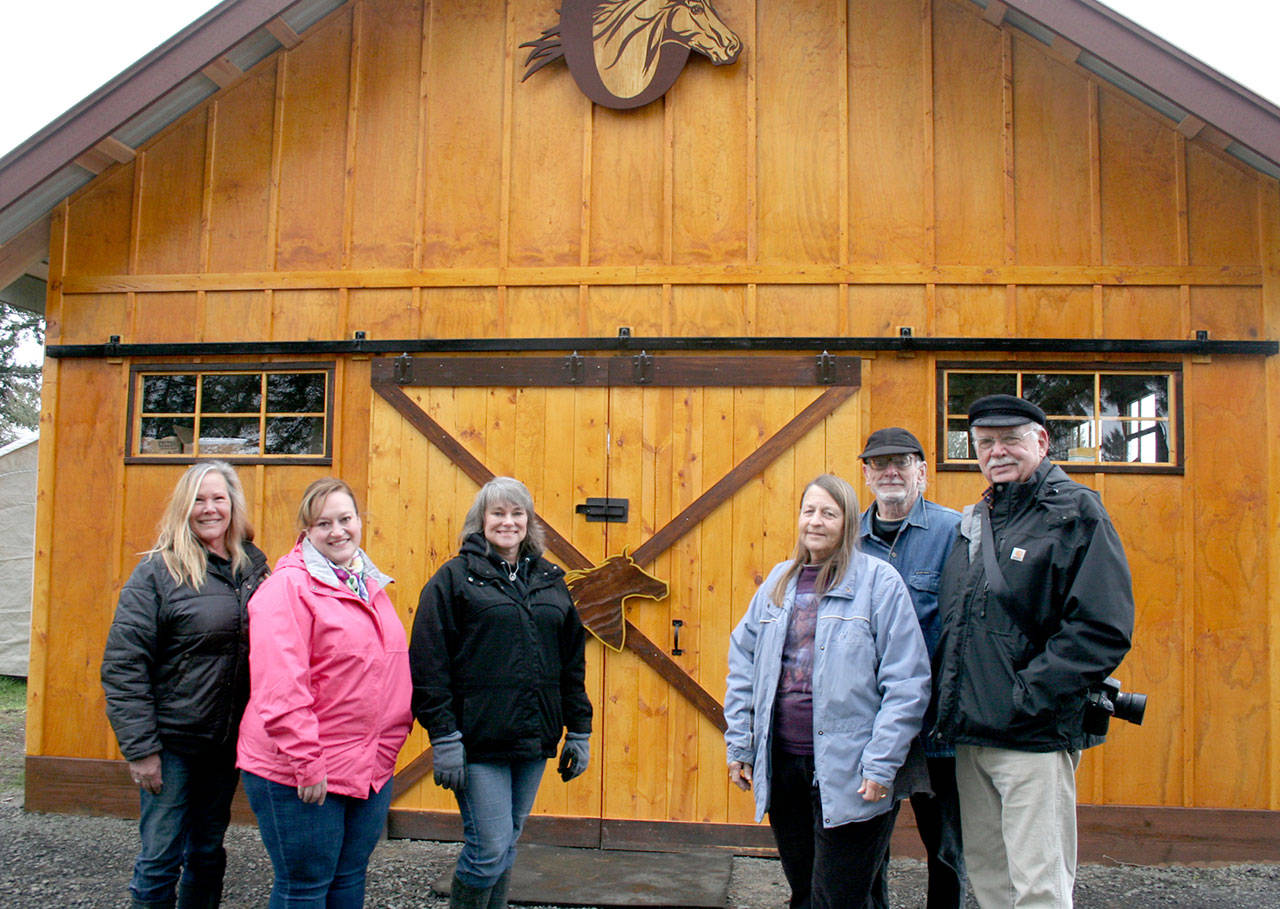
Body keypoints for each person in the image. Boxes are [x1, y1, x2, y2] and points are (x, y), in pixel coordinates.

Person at [932, 395, 1135, 908]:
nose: (996, 451)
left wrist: (1025, 697)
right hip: (972, 738)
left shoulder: (1077, 513)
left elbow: (1101, 628)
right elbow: (960, 626)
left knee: (1040, 888)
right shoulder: (977, 520)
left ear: (1042, 442)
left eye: (1010, 440)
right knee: (991, 880)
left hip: (1033, 737)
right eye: (984, 443)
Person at [724, 473, 931, 909]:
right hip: (785, 767)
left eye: (829, 513)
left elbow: (908, 682)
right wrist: (740, 745)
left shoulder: (879, 583)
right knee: (806, 891)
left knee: (837, 897)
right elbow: (743, 664)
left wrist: (881, 765)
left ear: (848, 522)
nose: (815, 521)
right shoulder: (779, 583)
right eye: (809, 511)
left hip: (852, 771)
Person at [410, 476, 593, 909]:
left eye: (517, 514)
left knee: (507, 845)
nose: (507, 522)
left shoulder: (550, 580)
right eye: (498, 513)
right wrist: (444, 736)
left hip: (533, 739)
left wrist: (580, 730)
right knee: (488, 849)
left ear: (529, 523)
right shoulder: (454, 580)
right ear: (481, 520)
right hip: (477, 742)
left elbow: (571, 662)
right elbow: (428, 661)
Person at [236, 477, 412, 908]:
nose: (337, 531)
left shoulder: (367, 583)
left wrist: (388, 746)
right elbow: (280, 685)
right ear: (306, 531)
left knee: (349, 878)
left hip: (367, 766)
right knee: (306, 887)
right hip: (301, 769)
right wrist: (307, 761)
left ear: (358, 521)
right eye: (323, 524)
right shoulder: (287, 588)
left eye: (345, 519)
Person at [101, 461, 270, 909]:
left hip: (225, 742)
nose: (210, 508)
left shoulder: (252, 568)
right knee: (160, 859)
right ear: (184, 506)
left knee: (207, 853)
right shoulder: (158, 573)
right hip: (171, 744)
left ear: (234, 505)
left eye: (219, 498)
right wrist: (141, 749)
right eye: (199, 499)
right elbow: (124, 664)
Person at [857, 428, 966, 909]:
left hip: (936, 725)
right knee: (865, 845)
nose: (890, 472)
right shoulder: (847, 541)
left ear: (922, 471)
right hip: (867, 723)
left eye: (902, 462)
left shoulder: (954, 533)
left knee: (945, 847)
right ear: (866, 475)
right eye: (879, 465)